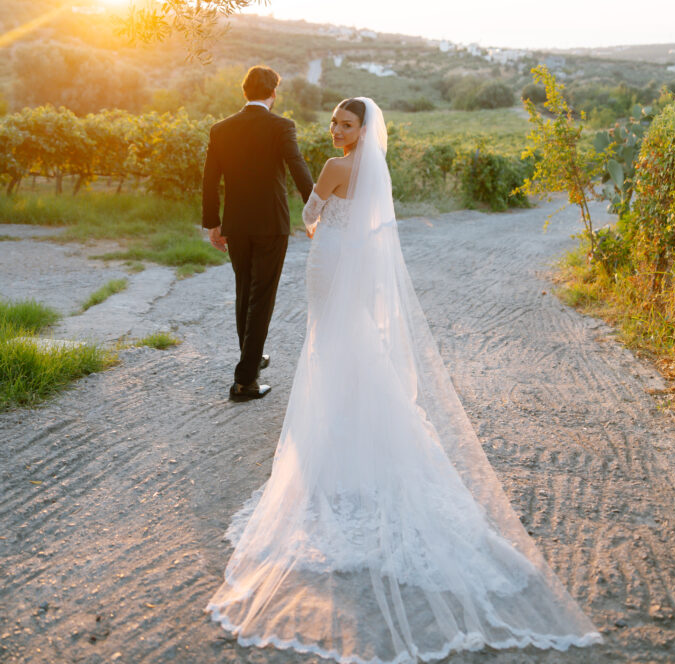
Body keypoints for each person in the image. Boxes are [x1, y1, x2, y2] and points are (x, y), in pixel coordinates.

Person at [206, 97, 602, 660]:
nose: (337, 130)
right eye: (335, 124)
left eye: (346, 124)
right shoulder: (376, 170)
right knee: (355, 350)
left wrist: (319, 229)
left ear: (362, 128)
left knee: (330, 352)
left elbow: (309, 218)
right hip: (360, 267)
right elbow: (379, 233)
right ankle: (364, 442)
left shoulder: (336, 167)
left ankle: (332, 456)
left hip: (330, 265)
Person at [202, 65, 313, 402]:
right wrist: (318, 209)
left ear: (244, 92)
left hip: (237, 224)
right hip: (271, 225)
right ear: (273, 94)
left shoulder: (221, 129)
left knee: (244, 290)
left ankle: (251, 357)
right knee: (262, 296)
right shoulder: (282, 126)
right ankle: (245, 381)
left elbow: (209, 180)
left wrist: (213, 223)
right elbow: (298, 168)